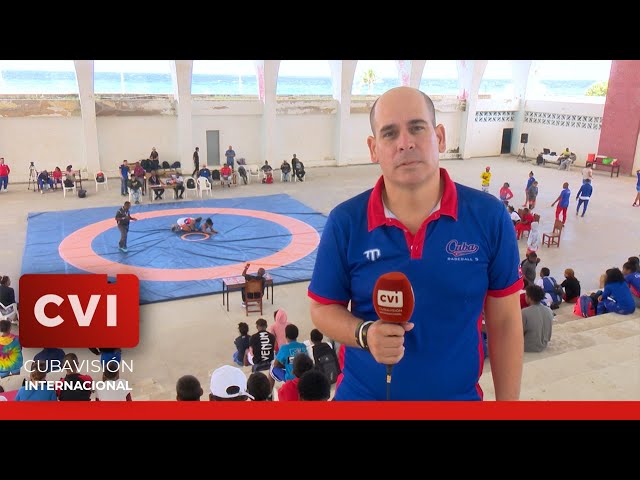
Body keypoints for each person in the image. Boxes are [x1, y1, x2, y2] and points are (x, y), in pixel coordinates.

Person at [308, 87, 524, 401]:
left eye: (417, 128)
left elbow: (504, 322)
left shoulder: (489, 217)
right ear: (373, 148)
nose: (405, 143)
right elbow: (322, 307)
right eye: (390, 133)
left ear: (440, 136)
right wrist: (365, 334)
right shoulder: (346, 222)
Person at [521, 285, 553, 353]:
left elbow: (520, 333)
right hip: (544, 344)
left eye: (526, 295)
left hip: (528, 347)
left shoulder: (524, 312)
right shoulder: (549, 310)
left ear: (530, 298)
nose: (525, 297)